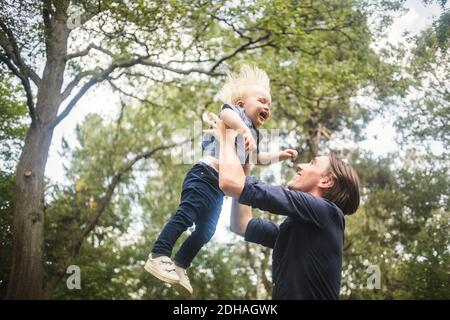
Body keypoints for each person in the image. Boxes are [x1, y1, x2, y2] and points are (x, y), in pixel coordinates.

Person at [144, 65, 298, 295]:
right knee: (187, 215)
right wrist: (242, 130)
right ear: (241, 103)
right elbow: (226, 115)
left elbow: (257, 158)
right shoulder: (233, 115)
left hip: (218, 191)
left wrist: (279, 156)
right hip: (205, 175)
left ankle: (180, 265)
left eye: (269, 105)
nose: (267, 106)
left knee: (207, 231)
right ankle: (158, 254)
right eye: (262, 100)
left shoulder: (254, 134)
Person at [206, 113, 360, 299]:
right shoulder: (296, 233)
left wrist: (224, 137)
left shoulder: (326, 212)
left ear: (326, 181)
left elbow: (230, 183)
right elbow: (241, 224)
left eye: (312, 163)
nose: (300, 166)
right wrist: (244, 160)